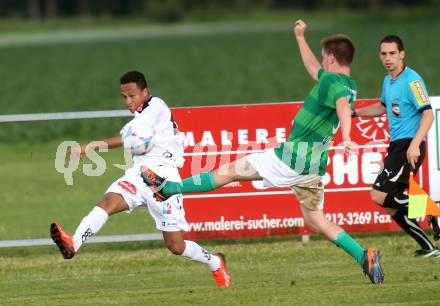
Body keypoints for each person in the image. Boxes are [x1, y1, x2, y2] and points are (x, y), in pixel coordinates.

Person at [142, 20, 384, 284]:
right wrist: (300, 37)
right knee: (318, 222)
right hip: (311, 169)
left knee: (229, 172)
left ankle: (168, 188)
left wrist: (347, 136)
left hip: (290, 159)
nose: (322, 62)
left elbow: (341, 106)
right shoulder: (346, 82)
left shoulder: (335, 85)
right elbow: (316, 71)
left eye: (325, 56)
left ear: (332, 57)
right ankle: (364, 256)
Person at [50, 71, 231, 288]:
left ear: (145, 92)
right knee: (107, 202)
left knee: (175, 246)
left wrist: (94, 146)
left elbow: (132, 137)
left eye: (132, 96)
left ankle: (215, 262)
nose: (128, 101)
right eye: (124, 97)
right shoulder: (140, 115)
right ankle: (73, 244)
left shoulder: (156, 107)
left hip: (164, 179)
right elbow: (128, 138)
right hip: (138, 175)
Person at [352, 35, 438, 257]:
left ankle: (433, 211)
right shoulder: (387, 81)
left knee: (377, 195)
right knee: (391, 205)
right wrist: (355, 112)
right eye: (383, 54)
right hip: (397, 147)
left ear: (402, 54)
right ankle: (429, 247)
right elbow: (382, 107)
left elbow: (428, 114)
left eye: (392, 53)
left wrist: (416, 144)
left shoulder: (413, 81)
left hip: (409, 147)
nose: (388, 58)